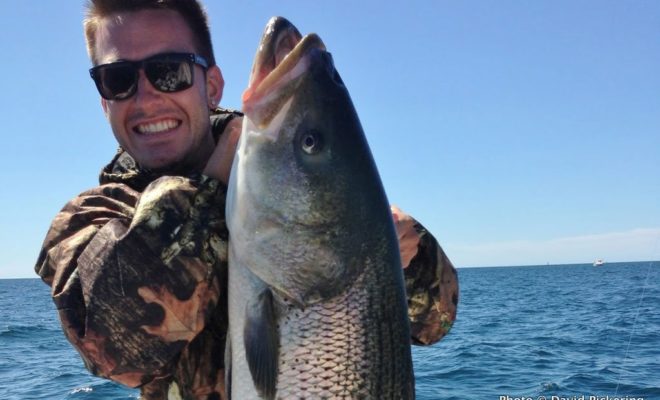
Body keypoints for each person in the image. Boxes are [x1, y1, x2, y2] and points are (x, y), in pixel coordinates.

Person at [34, 1, 459, 399]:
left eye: (169, 71)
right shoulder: (89, 220)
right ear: (104, 102)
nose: (146, 98)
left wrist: (406, 252)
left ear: (213, 85)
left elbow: (434, 322)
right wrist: (213, 186)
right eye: (119, 79)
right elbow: (118, 349)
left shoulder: (280, 172)